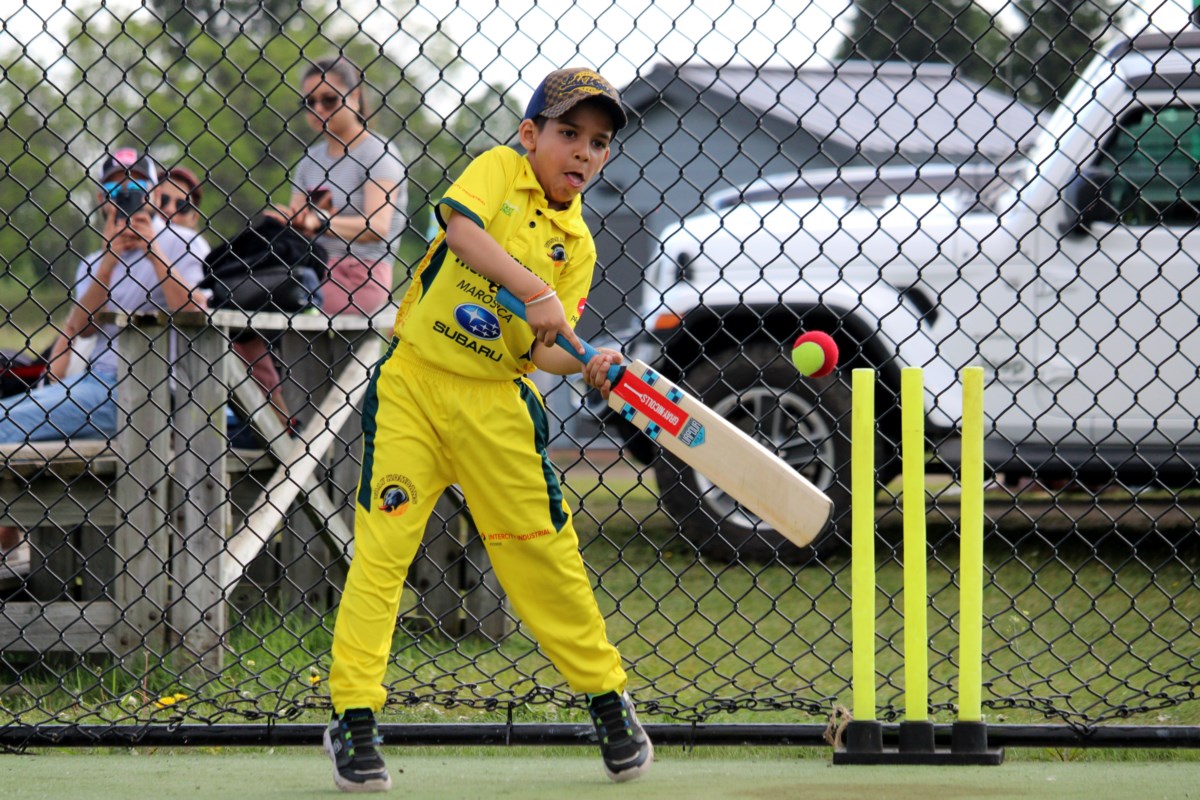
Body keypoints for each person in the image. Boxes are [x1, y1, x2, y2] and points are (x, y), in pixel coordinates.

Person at [321, 68, 651, 792]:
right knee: (383, 552)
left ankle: (605, 698)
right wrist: (533, 291)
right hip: (414, 389)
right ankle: (353, 714)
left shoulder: (579, 246)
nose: (583, 153)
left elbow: (543, 348)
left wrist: (589, 362)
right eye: (568, 133)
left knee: (544, 555)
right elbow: (462, 232)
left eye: (598, 143)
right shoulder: (499, 171)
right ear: (531, 135)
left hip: (498, 407)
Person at [0, 148, 207, 583]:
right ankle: (10, 545)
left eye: (137, 183)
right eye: (116, 185)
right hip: (97, 384)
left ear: (153, 189)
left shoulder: (183, 242)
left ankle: (8, 544)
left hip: (157, 388)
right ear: (101, 196)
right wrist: (112, 256)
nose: (127, 192)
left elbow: (193, 312)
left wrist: (151, 249)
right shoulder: (95, 261)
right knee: (10, 420)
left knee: (5, 426)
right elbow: (84, 327)